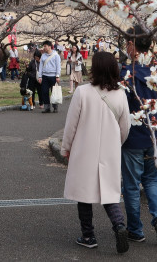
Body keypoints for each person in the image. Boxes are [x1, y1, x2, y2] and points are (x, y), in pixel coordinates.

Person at [61, 51, 131, 253]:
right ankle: (119, 225)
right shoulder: (120, 94)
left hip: (84, 150)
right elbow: (125, 127)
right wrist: (115, 144)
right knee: (109, 193)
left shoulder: (82, 92)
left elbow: (71, 125)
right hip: (109, 151)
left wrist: (66, 148)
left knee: (84, 194)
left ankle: (88, 235)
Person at [120, 24, 157, 243]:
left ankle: (136, 229)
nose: (126, 47)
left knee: (132, 185)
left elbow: (120, 106)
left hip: (133, 137)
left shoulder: (126, 73)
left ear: (133, 46)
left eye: (127, 43)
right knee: (153, 180)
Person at [37, 40, 62, 113]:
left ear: (49, 46)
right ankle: (47, 107)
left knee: (53, 92)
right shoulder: (43, 56)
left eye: (45, 46)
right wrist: (40, 76)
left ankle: (55, 107)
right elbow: (40, 67)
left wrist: (57, 76)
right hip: (45, 76)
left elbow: (58, 66)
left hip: (53, 76)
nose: (44, 48)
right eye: (43, 46)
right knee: (44, 92)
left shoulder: (56, 55)